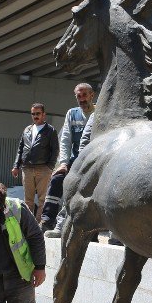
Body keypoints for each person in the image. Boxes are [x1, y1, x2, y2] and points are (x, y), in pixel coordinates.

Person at [40, 83, 95, 234]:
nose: (82, 99)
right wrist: (63, 163)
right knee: (57, 179)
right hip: (75, 160)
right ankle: (47, 220)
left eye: (85, 95)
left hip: (95, 160)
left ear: (92, 95)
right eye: (79, 96)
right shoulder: (72, 113)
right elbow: (65, 140)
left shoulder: (100, 113)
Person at [11, 103, 59, 221]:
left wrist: (50, 167)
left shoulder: (50, 130)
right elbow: (20, 149)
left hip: (43, 168)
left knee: (43, 199)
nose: (35, 116)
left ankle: (39, 224)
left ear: (44, 115)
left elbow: (55, 150)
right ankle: (29, 223)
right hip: (27, 168)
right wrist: (16, 165)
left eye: (38, 113)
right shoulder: (27, 129)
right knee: (28, 199)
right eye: (33, 114)